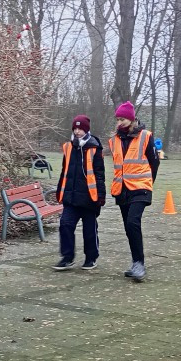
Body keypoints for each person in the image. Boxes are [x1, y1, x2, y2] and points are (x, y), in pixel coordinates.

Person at [108, 101, 159, 282]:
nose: (119, 122)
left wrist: (148, 182)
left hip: (141, 188)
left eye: (122, 119)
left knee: (133, 222)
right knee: (128, 228)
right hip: (122, 190)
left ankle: (139, 263)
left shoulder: (145, 136)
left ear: (131, 119)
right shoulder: (113, 140)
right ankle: (135, 262)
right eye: (118, 119)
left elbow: (154, 162)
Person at [52, 115, 106, 271]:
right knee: (65, 225)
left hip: (89, 198)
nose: (77, 131)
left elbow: (99, 174)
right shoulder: (68, 147)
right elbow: (65, 171)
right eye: (75, 128)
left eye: (80, 128)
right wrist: (60, 191)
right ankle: (67, 258)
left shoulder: (95, 148)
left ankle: (91, 258)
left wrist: (101, 196)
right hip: (71, 197)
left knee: (89, 230)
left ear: (86, 129)